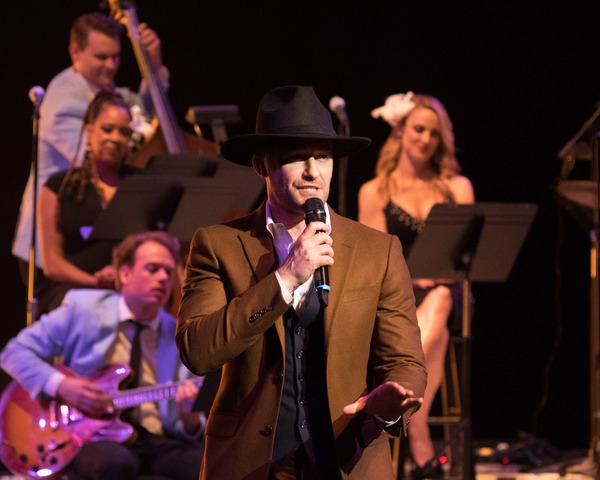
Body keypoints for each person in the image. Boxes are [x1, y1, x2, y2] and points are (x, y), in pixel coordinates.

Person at [176, 85, 427, 480]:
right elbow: (197, 351)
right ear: (261, 165)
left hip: (348, 458)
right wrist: (285, 278)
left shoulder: (378, 249)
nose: (313, 171)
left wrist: (392, 404)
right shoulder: (217, 244)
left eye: (323, 156)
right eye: (296, 157)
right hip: (251, 464)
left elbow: (405, 362)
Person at [0, 231, 205, 480]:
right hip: (91, 434)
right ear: (125, 274)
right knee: (112, 464)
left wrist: (190, 419)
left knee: (208, 465)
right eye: (153, 269)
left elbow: (183, 422)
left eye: (169, 271)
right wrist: (62, 385)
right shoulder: (83, 309)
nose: (163, 278)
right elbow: (14, 352)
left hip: (155, 438)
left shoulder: (179, 335)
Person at [358, 92, 475, 478]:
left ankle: (402, 405)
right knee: (432, 331)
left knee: (441, 299)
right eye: (419, 130)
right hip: (399, 295)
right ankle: (418, 426)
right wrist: (411, 276)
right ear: (400, 131)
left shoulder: (456, 187)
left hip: (450, 293)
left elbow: (466, 256)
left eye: (434, 133)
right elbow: (376, 262)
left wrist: (439, 275)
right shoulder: (375, 191)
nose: (426, 139)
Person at [12, 11, 166, 277]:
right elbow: (109, 161)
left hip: (88, 238)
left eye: (115, 57)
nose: (110, 65)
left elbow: (143, 113)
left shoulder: (105, 90)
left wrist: (153, 67)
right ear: (75, 52)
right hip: (55, 247)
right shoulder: (64, 103)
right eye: (101, 57)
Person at [35, 90, 141, 316]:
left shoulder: (141, 183)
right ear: (90, 131)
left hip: (130, 288)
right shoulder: (59, 186)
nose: (115, 137)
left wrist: (121, 277)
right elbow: (52, 263)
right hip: (74, 291)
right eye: (107, 129)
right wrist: (96, 282)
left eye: (123, 132)